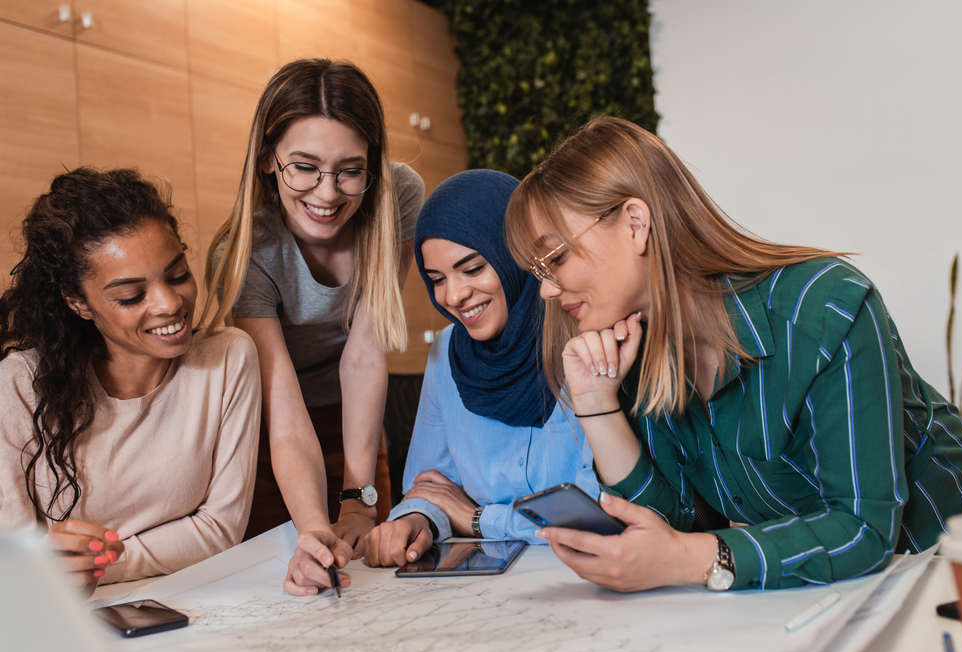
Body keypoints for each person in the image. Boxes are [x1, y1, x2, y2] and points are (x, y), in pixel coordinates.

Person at [504, 116, 962, 593]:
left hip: (945, 570)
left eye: (555, 259)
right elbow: (664, 526)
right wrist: (596, 401)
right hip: (821, 592)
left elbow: (862, 530)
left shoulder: (824, 305)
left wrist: (687, 558)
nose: (547, 291)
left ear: (636, 223)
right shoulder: (636, 348)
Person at [204, 58, 424, 595]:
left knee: (374, 579)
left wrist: (357, 496)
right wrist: (314, 530)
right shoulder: (244, 251)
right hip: (271, 434)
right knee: (296, 576)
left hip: (354, 418)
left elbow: (366, 352)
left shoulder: (397, 195)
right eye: (303, 167)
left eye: (350, 170)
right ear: (266, 161)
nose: (327, 194)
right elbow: (277, 397)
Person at [0, 168, 261, 591]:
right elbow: (13, 563)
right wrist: (40, 568)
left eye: (177, 275)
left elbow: (221, 528)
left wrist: (100, 564)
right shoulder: (18, 387)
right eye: (131, 296)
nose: (169, 303)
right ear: (78, 302)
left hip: (196, 601)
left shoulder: (228, 358)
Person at [363, 170, 598, 568]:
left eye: (472, 269)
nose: (453, 296)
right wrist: (414, 520)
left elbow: (596, 512)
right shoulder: (445, 353)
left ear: (516, 255)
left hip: (591, 580)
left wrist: (478, 518)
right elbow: (429, 487)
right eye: (436, 279)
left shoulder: (585, 338)